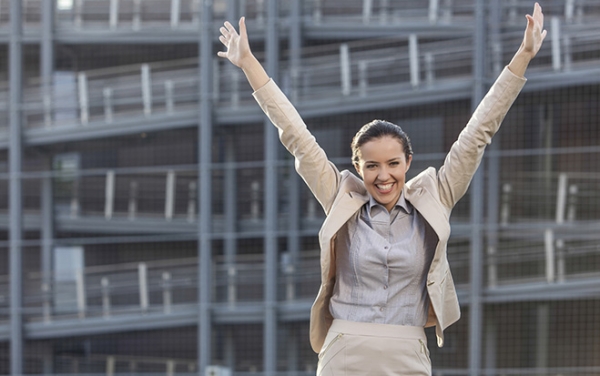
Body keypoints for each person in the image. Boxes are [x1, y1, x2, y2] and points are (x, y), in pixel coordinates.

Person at [218, 3, 546, 375]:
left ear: (408, 162)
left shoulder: (437, 195)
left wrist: (523, 56)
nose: (383, 175)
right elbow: (296, 136)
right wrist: (248, 64)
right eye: (371, 165)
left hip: (408, 350)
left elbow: (478, 133)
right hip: (345, 349)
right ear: (358, 167)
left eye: (393, 163)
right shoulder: (341, 196)